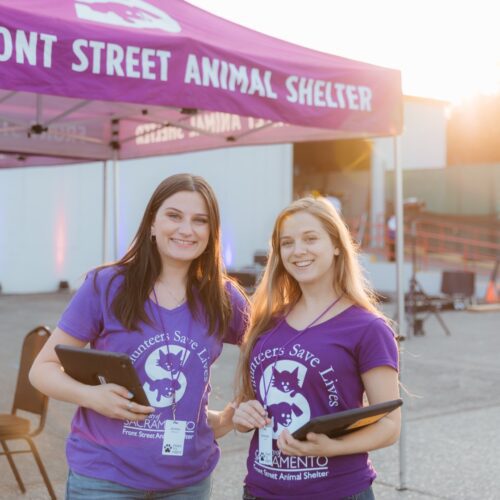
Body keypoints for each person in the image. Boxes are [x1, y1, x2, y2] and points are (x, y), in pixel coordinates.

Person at [30, 173, 248, 499]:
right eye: (174, 216)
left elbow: (275, 350)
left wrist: (231, 414)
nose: (186, 229)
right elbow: (42, 369)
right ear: (152, 224)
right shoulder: (106, 285)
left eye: (200, 220)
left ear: (211, 232)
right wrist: (91, 397)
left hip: (188, 480)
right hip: (104, 477)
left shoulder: (224, 296)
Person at [233, 196, 400, 500]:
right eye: (287, 243)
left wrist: (333, 447)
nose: (298, 251)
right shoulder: (266, 323)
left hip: (336, 491)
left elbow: (390, 425)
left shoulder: (368, 328)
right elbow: (253, 402)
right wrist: (243, 414)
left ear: (336, 245)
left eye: (310, 238)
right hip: (261, 490)